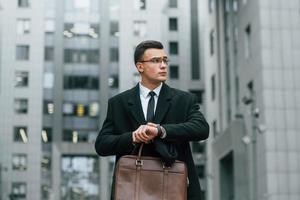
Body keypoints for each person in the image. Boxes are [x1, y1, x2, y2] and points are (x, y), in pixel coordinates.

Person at [95, 40, 209, 200]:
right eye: (156, 61)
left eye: (165, 60)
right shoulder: (119, 103)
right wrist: (133, 137)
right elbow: (102, 145)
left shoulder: (184, 100)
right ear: (140, 66)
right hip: (132, 189)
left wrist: (161, 131)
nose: (163, 65)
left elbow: (202, 128)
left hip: (175, 187)